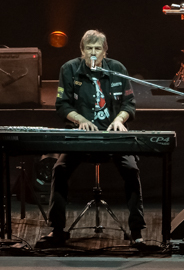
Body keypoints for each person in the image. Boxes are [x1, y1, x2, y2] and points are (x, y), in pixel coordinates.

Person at [40, 29, 145, 247]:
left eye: (98, 48)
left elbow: (129, 104)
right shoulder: (69, 69)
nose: (94, 53)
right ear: (82, 51)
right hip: (81, 137)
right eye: (89, 49)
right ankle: (57, 230)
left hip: (113, 137)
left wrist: (120, 120)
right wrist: (79, 119)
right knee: (59, 170)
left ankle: (137, 233)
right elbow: (62, 105)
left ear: (105, 52)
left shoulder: (118, 69)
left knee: (132, 170)